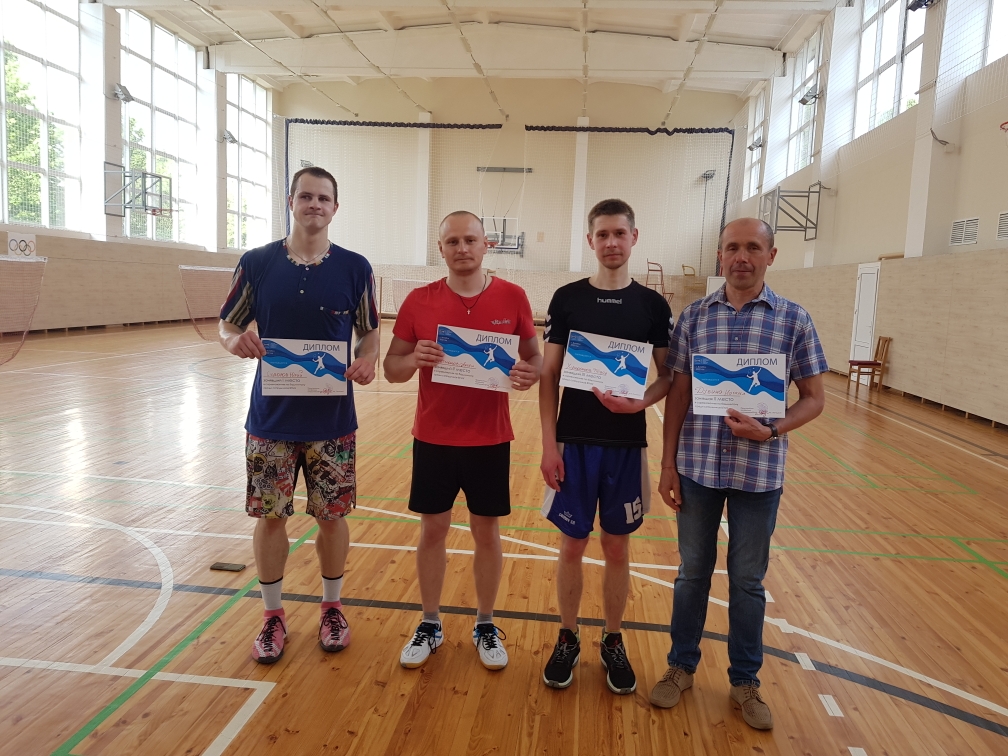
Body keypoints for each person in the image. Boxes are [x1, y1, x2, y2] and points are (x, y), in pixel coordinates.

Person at [649, 217, 827, 730]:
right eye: (732, 248)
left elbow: (814, 398)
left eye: (752, 247)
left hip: (759, 475)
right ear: (720, 255)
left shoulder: (794, 320)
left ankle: (745, 681)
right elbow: (678, 394)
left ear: (771, 255)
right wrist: (668, 464)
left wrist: (772, 430)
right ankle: (681, 667)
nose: (741, 257)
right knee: (692, 574)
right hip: (698, 468)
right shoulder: (694, 317)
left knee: (748, 582)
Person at [219, 166, 380, 664]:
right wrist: (234, 340)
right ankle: (273, 615)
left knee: (332, 518)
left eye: (323, 198)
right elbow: (226, 325)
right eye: (306, 196)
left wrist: (369, 358)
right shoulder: (257, 263)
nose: (315, 205)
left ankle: (332, 608)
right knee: (271, 518)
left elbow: (370, 331)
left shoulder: (356, 268)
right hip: (271, 421)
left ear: (335, 207)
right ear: (290, 201)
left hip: (333, 423)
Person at [384, 211, 542, 671]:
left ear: (486, 243)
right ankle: (430, 622)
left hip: (490, 439)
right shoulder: (419, 301)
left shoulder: (513, 296)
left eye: (470, 239)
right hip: (433, 437)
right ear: (441, 249)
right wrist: (413, 358)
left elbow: (534, 358)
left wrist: (529, 374)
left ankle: (485, 623)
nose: (462, 248)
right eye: (452, 241)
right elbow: (392, 369)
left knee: (486, 533)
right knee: (432, 531)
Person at [539, 198, 673, 695]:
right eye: (602, 234)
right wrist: (548, 444)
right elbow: (549, 375)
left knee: (617, 546)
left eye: (620, 233)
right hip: (573, 444)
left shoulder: (653, 306)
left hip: (625, 446)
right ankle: (568, 636)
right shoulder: (567, 298)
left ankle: (613, 639)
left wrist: (641, 403)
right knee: (572, 544)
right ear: (590, 240)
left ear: (634, 237)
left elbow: (668, 377)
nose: (611, 242)